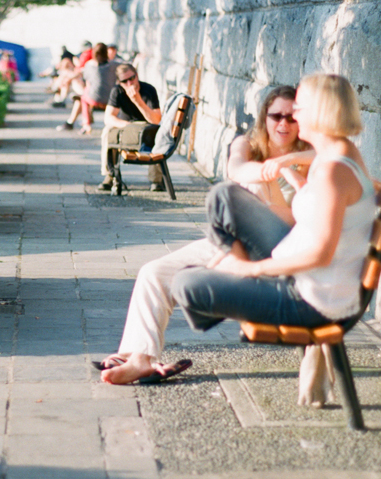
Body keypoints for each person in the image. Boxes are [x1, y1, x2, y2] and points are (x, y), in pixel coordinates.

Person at [96, 84, 313, 386]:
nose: (283, 124)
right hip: (232, 241)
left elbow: (293, 219)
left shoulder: (310, 159)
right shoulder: (247, 144)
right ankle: (141, 359)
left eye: (292, 118)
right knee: (153, 272)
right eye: (276, 116)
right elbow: (236, 168)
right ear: (265, 117)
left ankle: (206, 287)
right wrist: (270, 168)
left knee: (250, 192)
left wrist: (284, 167)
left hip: (275, 251)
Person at [172, 73, 375, 362]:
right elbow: (322, 210)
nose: (292, 116)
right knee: (224, 195)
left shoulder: (333, 171)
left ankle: (230, 287)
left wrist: (251, 270)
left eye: (298, 109)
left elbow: (321, 254)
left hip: (311, 300)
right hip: (304, 276)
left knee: (185, 283)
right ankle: (229, 285)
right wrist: (289, 169)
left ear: (319, 112)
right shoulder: (341, 153)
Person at [98, 62, 163, 191]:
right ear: (119, 82)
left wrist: (138, 101)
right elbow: (108, 117)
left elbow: (156, 120)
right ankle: (110, 175)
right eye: (124, 81)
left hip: (146, 128)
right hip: (126, 127)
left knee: (159, 134)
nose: (129, 83)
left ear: (137, 76)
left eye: (132, 78)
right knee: (107, 131)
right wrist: (128, 126)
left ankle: (156, 179)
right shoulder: (117, 91)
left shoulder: (148, 90)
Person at [59, 43, 114, 132]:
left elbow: (85, 79)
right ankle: (73, 122)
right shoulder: (114, 64)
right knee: (84, 95)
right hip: (111, 98)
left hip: (95, 99)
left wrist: (67, 80)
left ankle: (86, 124)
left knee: (83, 98)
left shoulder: (90, 65)